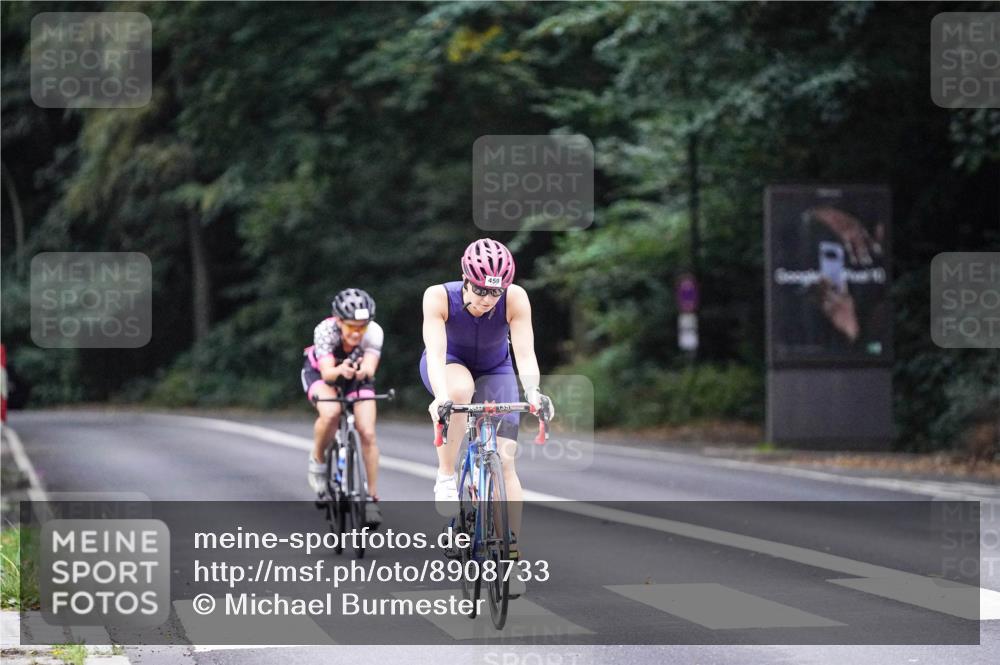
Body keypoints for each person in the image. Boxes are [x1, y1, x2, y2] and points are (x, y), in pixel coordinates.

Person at [419, 238, 554, 595]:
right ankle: (447, 474)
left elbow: (525, 355)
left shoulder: (515, 298)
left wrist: (534, 393)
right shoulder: (438, 297)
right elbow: (435, 353)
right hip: (450, 364)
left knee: (506, 459)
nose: (486, 299)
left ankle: (509, 557)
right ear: (465, 278)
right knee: (460, 393)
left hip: (496, 368)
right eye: (479, 290)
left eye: (494, 293)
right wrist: (442, 398)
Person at [302, 288, 384, 526]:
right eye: (351, 326)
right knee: (331, 412)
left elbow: (369, 368)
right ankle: (318, 460)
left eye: (362, 326)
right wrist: (341, 371)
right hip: (321, 372)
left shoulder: (374, 332)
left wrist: (359, 372)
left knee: (367, 431)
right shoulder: (325, 330)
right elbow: (328, 373)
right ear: (339, 321)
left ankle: (370, 499)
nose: (357, 332)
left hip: (355, 376)